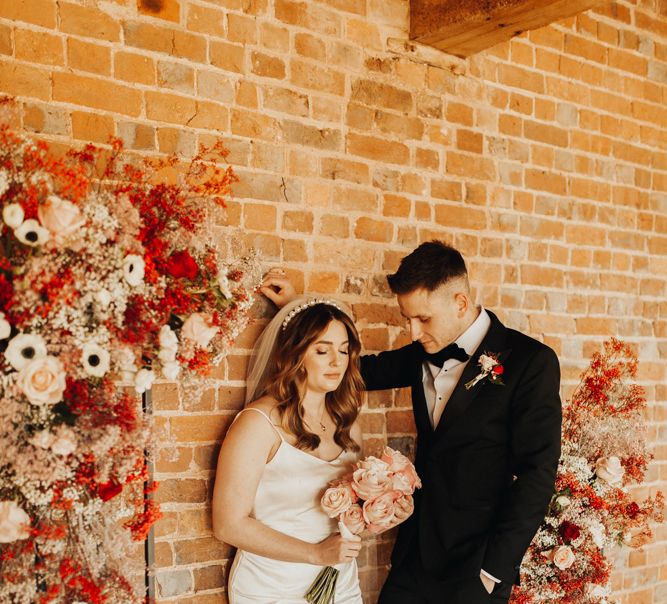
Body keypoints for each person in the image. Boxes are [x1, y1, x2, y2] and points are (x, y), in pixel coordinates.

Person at [261, 241, 562, 604]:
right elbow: (348, 370)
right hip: (414, 558)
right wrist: (298, 314)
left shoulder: (532, 362)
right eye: (408, 320)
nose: (414, 332)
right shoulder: (424, 350)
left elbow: (537, 475)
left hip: (476, 568)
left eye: (423, 318)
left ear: (460, 303)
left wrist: (492, 572)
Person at [212, 297, 365, 604]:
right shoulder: (258, 424)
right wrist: (314, 553)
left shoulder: (348, 422)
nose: (337, 361)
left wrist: (383, 512)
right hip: (271, 587)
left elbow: (351, 513)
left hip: (340, 584)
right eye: (323, 350)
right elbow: (228, 525)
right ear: (295, 354)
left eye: (344, 349)